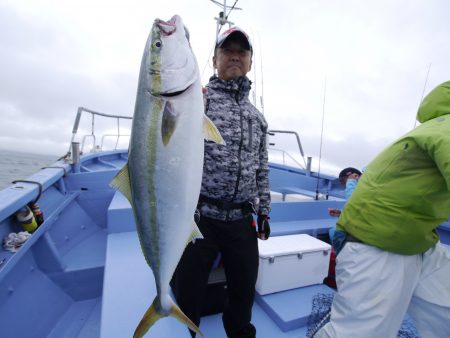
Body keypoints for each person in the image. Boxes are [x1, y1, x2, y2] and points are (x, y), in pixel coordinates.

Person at [315, 81, 450, 338]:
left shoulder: (435, 127)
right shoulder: (445, 128)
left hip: (417, 239)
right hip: (377, 244)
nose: (350, 178)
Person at [171, 27, 271, 338]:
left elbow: (262, 167)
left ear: (250, 63)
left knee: (243, 292)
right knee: (189, 290)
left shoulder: (258, 118)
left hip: (242, 219)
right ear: (214, 59)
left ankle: (240, 332)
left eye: (242, 52)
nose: (235, 56)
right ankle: (191, 332)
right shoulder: (199, 99)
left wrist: (264, 211)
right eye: (228, 51)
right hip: (200, 216)